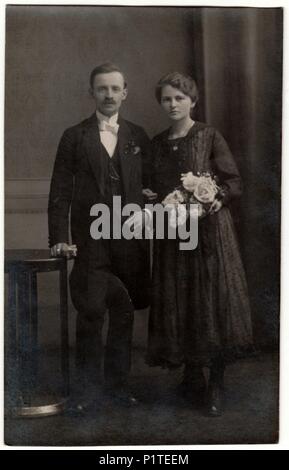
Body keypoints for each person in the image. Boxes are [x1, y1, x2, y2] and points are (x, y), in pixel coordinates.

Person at [146, 72, 254, 417]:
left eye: (179, 97)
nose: (173, 104)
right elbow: (151, 185)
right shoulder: (157, 142)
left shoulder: (208, 135)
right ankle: (191, 377)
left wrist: (215, 199)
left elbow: (232, 181)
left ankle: (216, 382)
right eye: (167, 99)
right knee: (180, 298)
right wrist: (152, 197)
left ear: (193, 100)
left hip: (208, 234)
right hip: (173, 234)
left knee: (210, 298)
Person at [48, 63, 155, 409]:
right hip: (91, 239)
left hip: (129, 239)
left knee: (123, 313)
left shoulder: (138, 136)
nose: (108, 95)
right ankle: (87, 392)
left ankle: (118, 388)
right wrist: (59, 238)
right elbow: (60, 192)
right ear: (91, 93)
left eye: (114, 89)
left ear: (125, 93)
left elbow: (151, 185)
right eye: (101, 89)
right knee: (92, 311)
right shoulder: (74, 136)